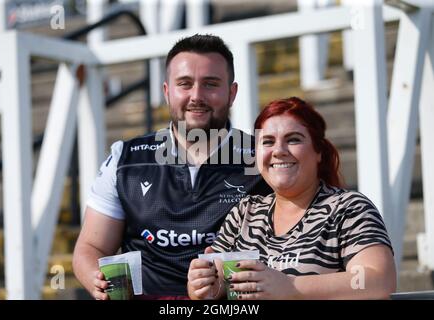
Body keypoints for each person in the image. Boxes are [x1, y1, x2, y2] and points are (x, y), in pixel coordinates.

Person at [72, 34, 271, 299]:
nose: (196, 96)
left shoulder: (264, 157)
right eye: (184, 84)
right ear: (167, 91)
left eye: (211, 84)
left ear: (232, 93)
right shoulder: (126, 159)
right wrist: (97, 282)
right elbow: (91, 246)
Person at [187, 97, 397, 300]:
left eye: (293, 139)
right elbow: (219, 284)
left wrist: (291, 286)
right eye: (268, 142)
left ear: (318, 152)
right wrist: (206, 286)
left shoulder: (348, 208)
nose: (278, 151)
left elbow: (378, 281)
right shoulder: (245, 211)